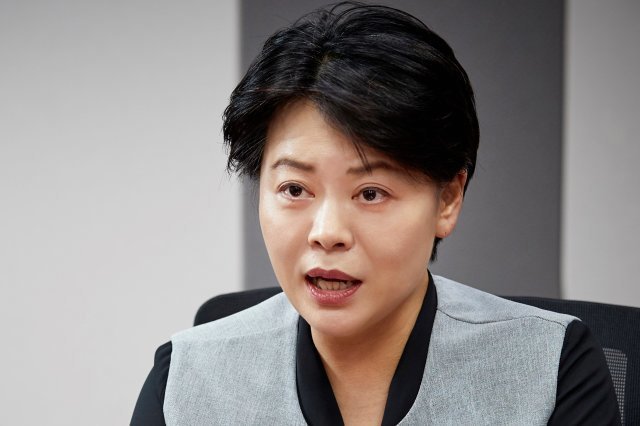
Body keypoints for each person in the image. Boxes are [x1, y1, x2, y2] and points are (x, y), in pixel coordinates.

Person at [132, 2, 620, 424]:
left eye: (370, 193)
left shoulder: (551, 368)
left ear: (448, 200)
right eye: (295, 189)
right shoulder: (187, 379)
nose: (327, 233)